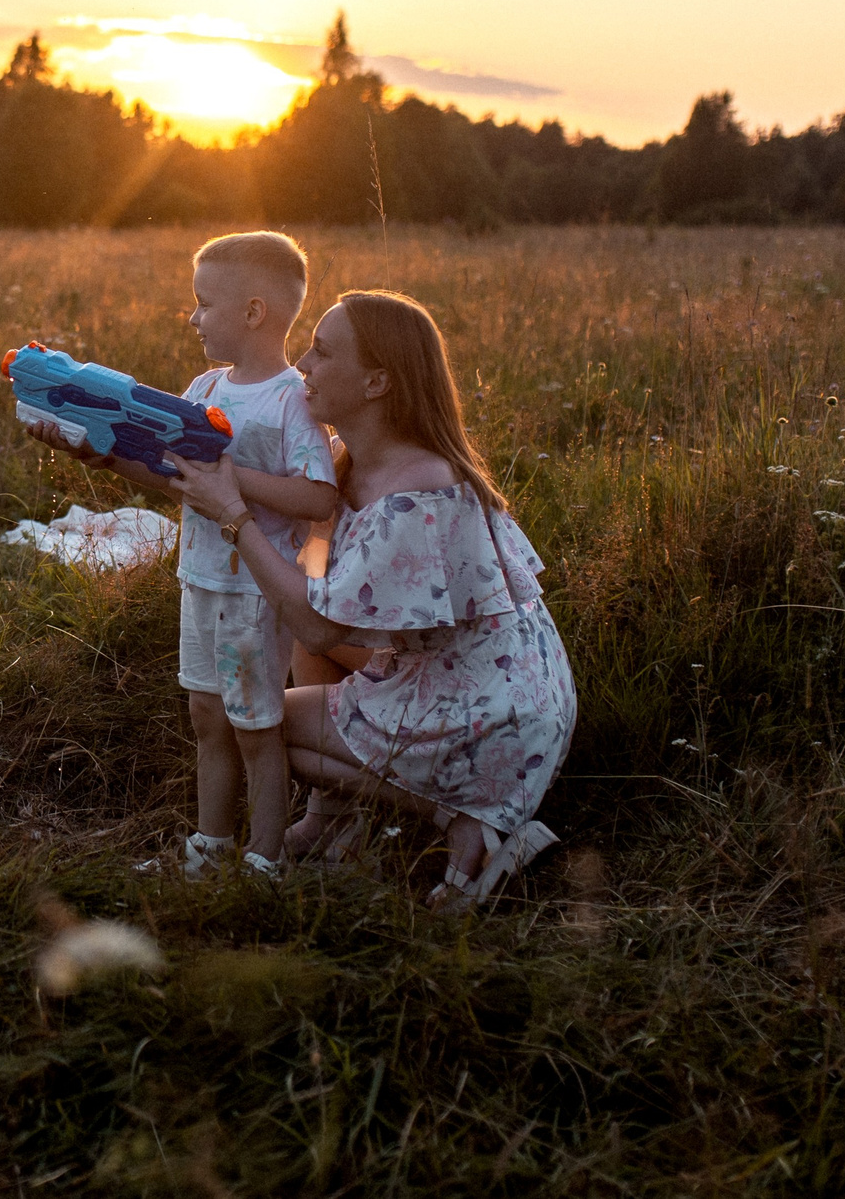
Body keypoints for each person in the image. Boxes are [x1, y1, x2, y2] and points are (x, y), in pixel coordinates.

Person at [171, 288, 575, 909]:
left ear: (377, 382)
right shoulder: (359, 463)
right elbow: (318, 586)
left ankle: (466, 824)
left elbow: (313, 620)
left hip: (488, 713)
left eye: (323, 353)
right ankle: (333, 824)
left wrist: (234, 518)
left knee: (257, 721)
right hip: (485, 681)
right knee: (303, 671)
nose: (303, 364)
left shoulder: (414, 491)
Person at [29, 231, 339, 878]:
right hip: (198, 581)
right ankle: (209, 850)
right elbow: (175, 478)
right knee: (205, 717)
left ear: (253, 312)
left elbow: (317, 494)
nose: (193, 317)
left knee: (258, 728)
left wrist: (229, 479)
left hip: (255, 593)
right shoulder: (203, 387)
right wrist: (97, 454)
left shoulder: (292, 400)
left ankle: (265, 863)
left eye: (203, 303)